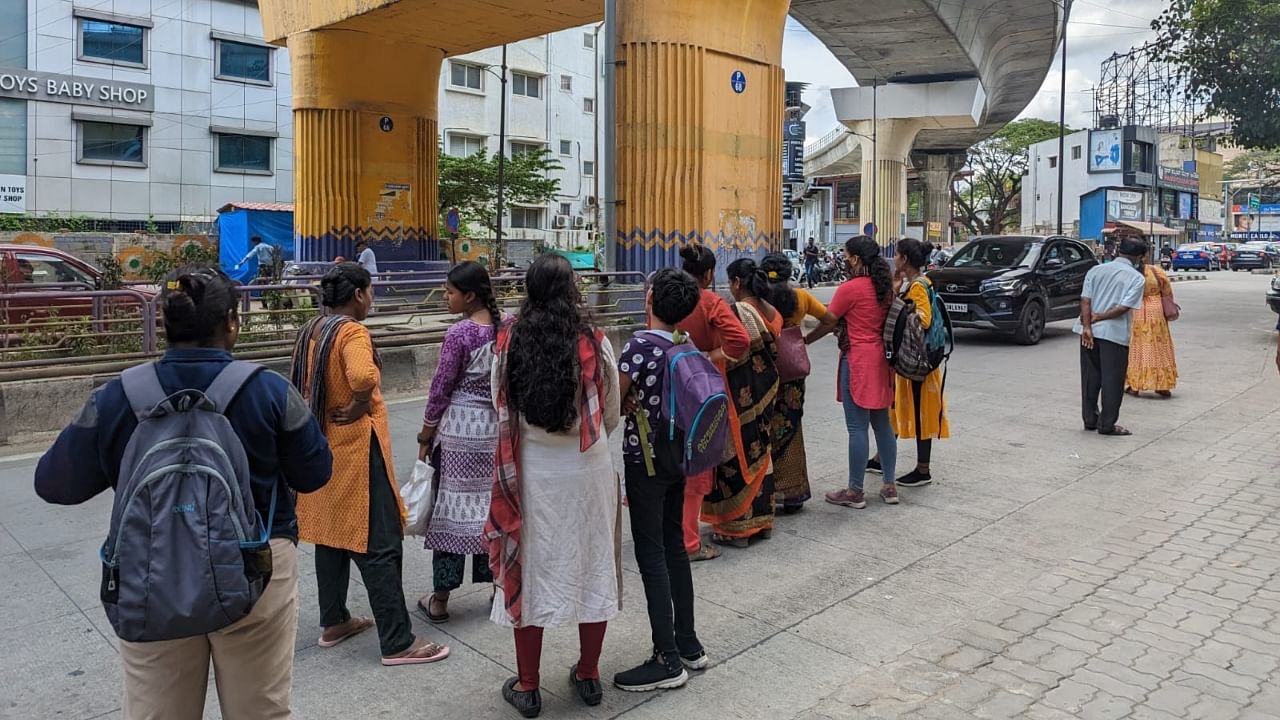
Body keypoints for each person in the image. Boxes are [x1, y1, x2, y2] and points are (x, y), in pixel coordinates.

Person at [35, 266, 333, 719]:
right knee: (260, 712)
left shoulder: (116, 397)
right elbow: (315, 473)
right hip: (256, 564)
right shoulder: (270, 391)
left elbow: (53, 484)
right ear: (231, 322)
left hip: (150, 569)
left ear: (165, 325)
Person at [290, 262, 449, 666]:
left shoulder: (313, 330)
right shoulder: (352, 332)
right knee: (379, 543)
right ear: (359, 294)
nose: (372, 298)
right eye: (371, 291)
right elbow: (362, 377)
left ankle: (334, 621)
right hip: (359, 454)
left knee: (330, 537)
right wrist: (361, 403)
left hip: (321, 452)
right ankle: (398, 641)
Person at [488, 253, 622, 718]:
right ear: (572, 291)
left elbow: (497, 402)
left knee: (533, 570)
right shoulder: (596, 341)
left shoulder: (509, 340)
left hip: (532, 473)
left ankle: (527, 685)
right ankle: (588, 674)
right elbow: (609, 414)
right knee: (593, 564)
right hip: (588, 471)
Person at [613, 268, 708, 693]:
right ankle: (689, 644)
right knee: (673, 548)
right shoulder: (683, 343)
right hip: (679, 459)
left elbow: (612, 404)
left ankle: (666, 659)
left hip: (645, 462)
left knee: (650, 554)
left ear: (649, 297)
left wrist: (627, 398)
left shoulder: (638, 346)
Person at [416, 262, 502, 623]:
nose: (446, 298)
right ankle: (497, 586)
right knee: (490, 509)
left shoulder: (459, 335)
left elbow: (440, 390)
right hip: (494, 429)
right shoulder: (506, 327)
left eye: (450, 292)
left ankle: (439, 598)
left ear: (469, 296)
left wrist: (425, 435)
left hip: (458, 431)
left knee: (450, 511)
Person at [674, 243, 750, 562]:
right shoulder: (710, 301)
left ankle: (672, 533)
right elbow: (741, 340)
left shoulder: (661, 296)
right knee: (698, 465)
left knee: (671, 457)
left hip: (666, 383)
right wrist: (709, 356)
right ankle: (690, 543)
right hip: (703, 389)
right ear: (708, 274)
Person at [703, 258, 780, 548]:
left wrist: (709, 356)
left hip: (740, 395)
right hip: (766, 393)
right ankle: (764, 521)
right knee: (762, 451)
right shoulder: (771, 310)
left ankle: (738, 529)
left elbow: (734, 346)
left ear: (736, 282)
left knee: (738, 454)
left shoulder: (738, 311)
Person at [824, 237, 899, 509]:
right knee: (882, 424)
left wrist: (805, 340)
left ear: (855, 258)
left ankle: (855, 491)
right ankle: (889, 486)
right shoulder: (885, 288)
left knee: (856, 428)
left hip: (857, 361)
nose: (843, 259)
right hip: (882, 361)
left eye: (845, 254)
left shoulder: (850, 289)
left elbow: (828, 320)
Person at [759, 252, 838, 513]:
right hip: (792, 377)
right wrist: (806, 340)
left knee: (762, 430)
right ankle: (792, 492)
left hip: (763, 373)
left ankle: (763, 492)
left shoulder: (757, 302)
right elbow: (830, 320)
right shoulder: (800, 297)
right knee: (790, 429)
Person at [880, 239, 950, 488]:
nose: (895, 259)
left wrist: (904, 310)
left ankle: (923, 470)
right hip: (924, 357)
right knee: (899, 404)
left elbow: (924, 319)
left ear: (905, 259)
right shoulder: (920, 282)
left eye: (897, 255)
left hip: (918, 360)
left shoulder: (919, 285)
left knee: (921, 411)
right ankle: (882, 458)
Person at [1075, 237, 1147, 436]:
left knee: (1090, 377)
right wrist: (1100, 317)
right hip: (1113, 335)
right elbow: (1123, 308)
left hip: (1088, 333)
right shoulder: (1136, 278)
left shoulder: (1096, 270)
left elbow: (1085, 300)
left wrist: (1088, 327)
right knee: (1112, 380)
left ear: (1119, 251)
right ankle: (1107, 424)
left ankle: (1090, 419)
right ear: (1139, 257)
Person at [1125, 259, 1179, 399]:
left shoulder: (1129, 272)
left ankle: (1135, 385)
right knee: (1160, 347)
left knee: (1137, 347)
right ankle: (1162, 385)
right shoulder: (1156, 271)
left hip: (1136, 310)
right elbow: (1167, 292)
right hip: (1156, 312)